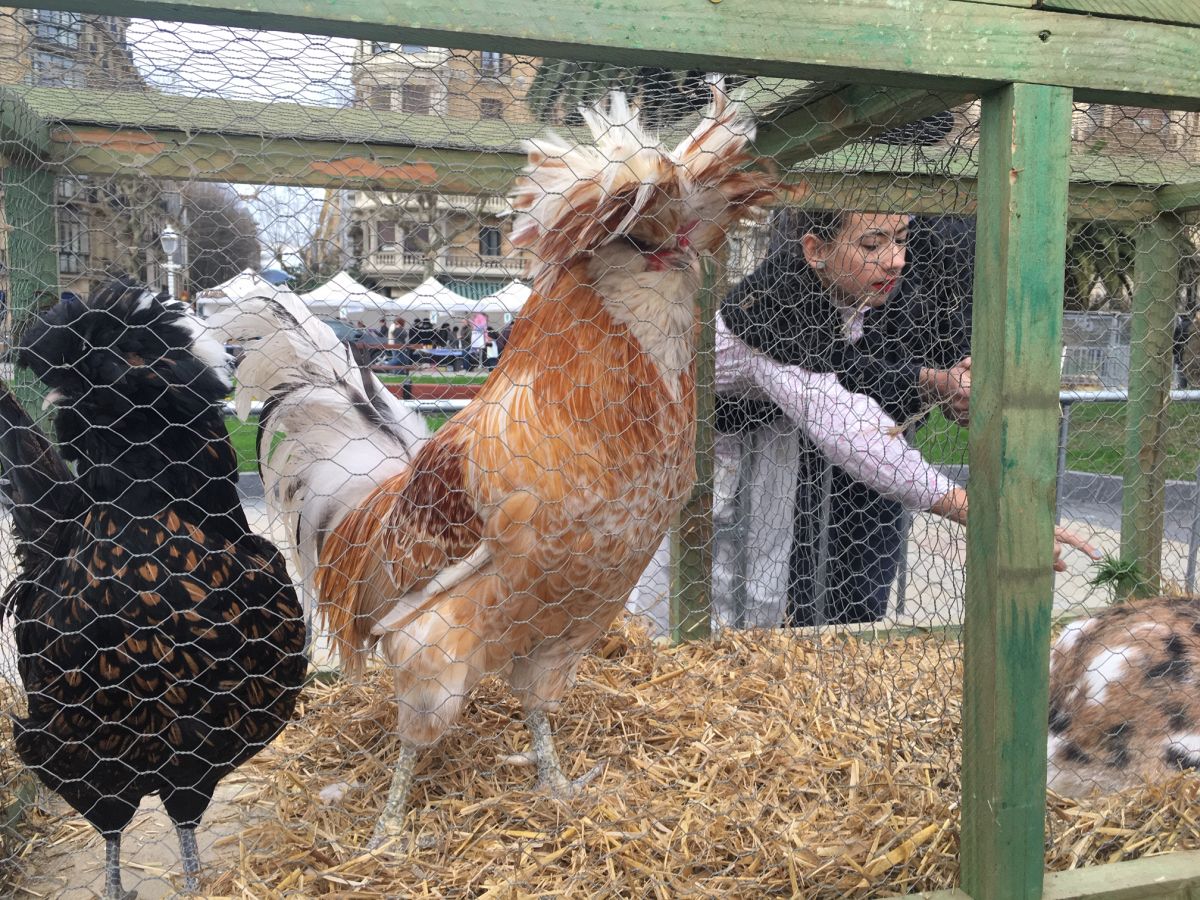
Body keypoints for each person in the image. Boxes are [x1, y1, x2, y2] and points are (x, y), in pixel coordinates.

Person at [628, 210, 1097, 632]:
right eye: (872, 245)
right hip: (700, 450)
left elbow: (848, 368)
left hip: (768, 442)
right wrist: (986, 517)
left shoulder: (836, 295)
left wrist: (938, 380)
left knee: (758, 602)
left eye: (900, 239)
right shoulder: (777, 305)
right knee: (680, 599)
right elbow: (852, 429)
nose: (895, 260)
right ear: (815, 249)